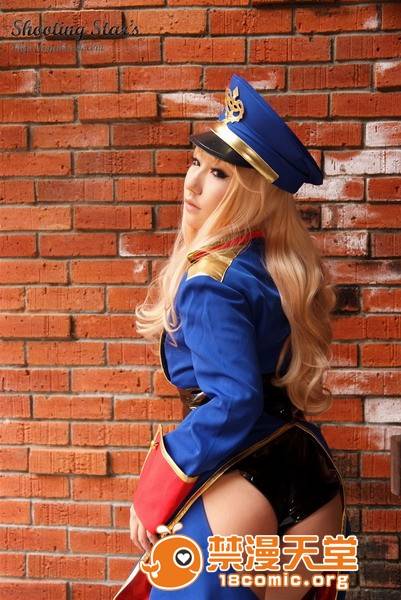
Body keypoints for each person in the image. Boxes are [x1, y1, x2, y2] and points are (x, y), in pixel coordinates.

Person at [113, 74, 354, 600]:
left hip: (240, 481)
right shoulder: (281, 267)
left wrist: (158, 487)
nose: (192, 184)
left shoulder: (209, 281)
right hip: (310, 476)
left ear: (252, 192)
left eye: (219, 172)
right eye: (196, 162)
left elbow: (235, 400)